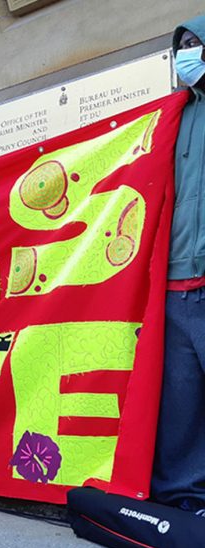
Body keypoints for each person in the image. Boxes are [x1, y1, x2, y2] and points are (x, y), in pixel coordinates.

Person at [152, 14, 205, 515]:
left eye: (196, 43)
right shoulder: (172, 114)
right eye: (182, 45)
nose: (187, 53)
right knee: (180, 407)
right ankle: (183, 500)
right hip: (173, 285)